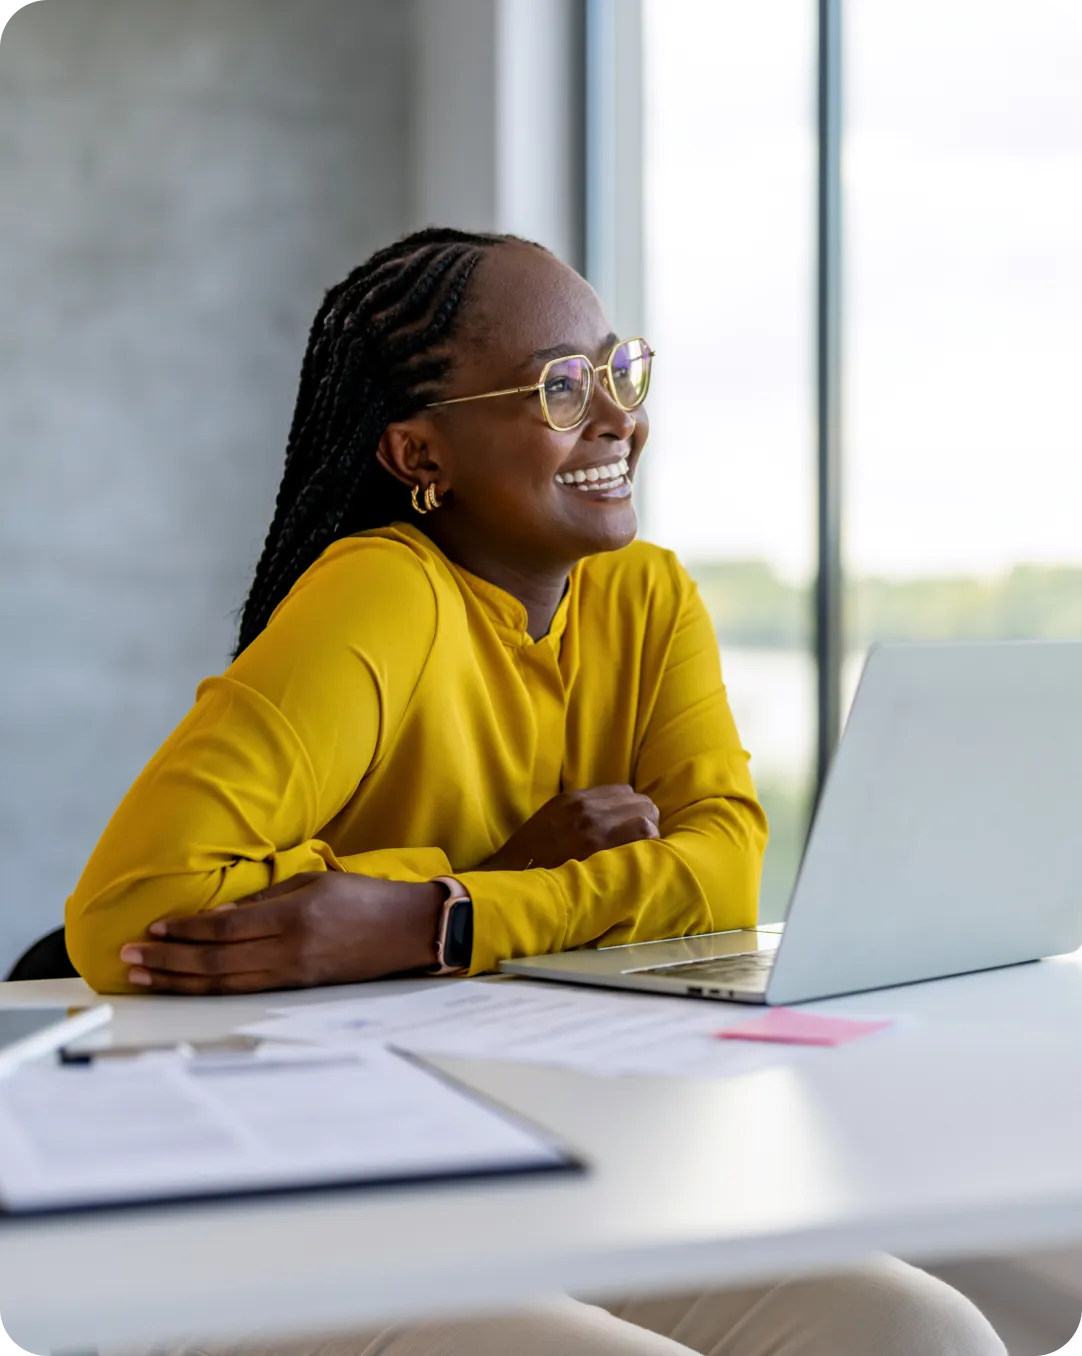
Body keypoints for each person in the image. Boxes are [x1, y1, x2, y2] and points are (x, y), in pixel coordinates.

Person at [67, 228, 1006, 1355]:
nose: (616, 415)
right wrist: (488, 891)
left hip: (555, 1143)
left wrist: (442, 914)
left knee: (921, 1330)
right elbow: (132, 910)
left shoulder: (645, 596)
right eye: (561, 386)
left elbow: (722, 871)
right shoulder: (378, 594)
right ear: (421, 456)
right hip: (317, 1192)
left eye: (617, 368)